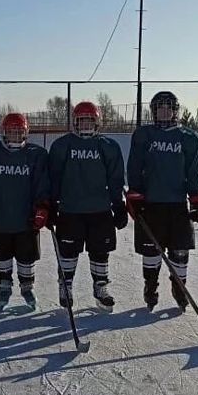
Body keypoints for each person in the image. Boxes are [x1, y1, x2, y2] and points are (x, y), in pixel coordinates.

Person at [126, 91, 198, 312]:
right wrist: (135, 195)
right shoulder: (143, 135)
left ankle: (180, 289)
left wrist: (196, 200)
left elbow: (193, 171)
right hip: (151, 205)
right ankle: (150, 287)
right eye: (160, 108)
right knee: (151, 252)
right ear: (153, 111)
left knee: (180, 252)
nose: (164, 112)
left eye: (168, 108)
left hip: (177, 206)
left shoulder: (189, 138)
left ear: (175, 111)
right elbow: (135, 166)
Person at [48, 101, 127, 312]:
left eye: (89, 120)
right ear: (75, 122)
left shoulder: (108, 146)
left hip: (100, 210)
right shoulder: (62, 145)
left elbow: (116, 178)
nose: (85, 124)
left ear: (97, 121)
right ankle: (66, 285)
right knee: (68, 252)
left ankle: (100, 287)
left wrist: (118, 205)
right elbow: (54, 177)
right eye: (81, 120)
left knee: (100, 252)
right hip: (70, 210)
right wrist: (50, 203)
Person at [0, 113, 49, 310]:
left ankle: (27, 286)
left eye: (19, 131)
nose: (15, 135)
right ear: (4, 132)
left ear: (26, 132)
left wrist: (42, 206)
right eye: (11, 131)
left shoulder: (36, 154)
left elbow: (41, 184)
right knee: (2, 255)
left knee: (26, 256)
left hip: (25, 218)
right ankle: (4, 285)